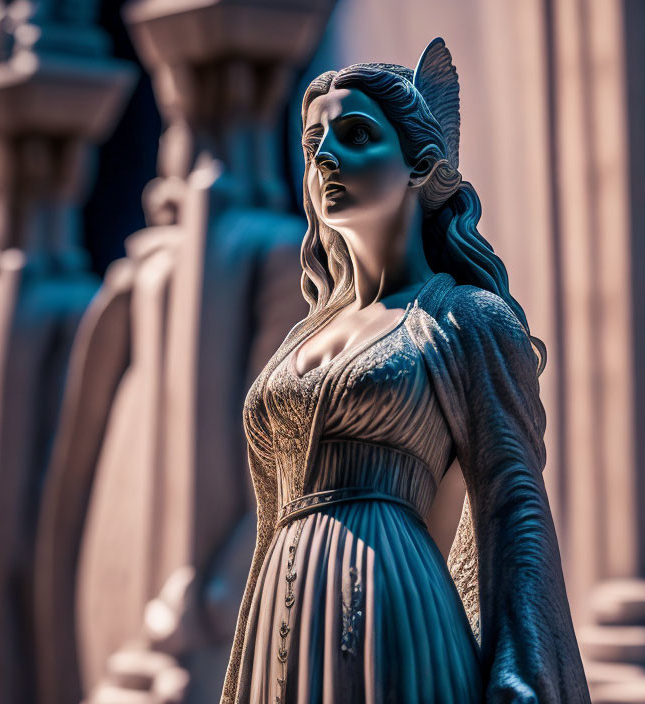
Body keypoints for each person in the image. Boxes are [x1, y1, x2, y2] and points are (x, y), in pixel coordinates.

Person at [220, 38, 591, 704]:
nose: (325, 156)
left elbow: (513, 505)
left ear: (422, 164)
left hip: (394, 615)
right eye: (313, 144)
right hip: (278, 619)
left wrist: (520, 663)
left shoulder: (465, 320)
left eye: (355, 133)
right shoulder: (302, 335)